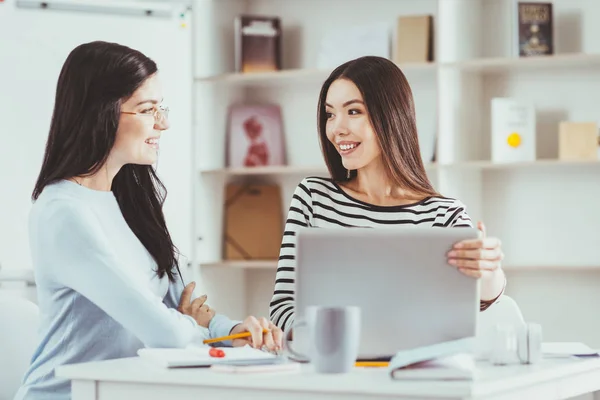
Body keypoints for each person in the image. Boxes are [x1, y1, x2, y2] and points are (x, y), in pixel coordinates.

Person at [15, 41, 282, 400]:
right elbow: (167, 333)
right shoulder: (63, 214)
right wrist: (195, 325)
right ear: (100, 113)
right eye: (147, 109)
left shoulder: (130, 201)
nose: (164, 123)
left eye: (162, 108)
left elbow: (182, 303)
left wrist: (235, 331)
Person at [269, 56, 506, 332]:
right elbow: (282, 307)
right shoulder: (313, 198)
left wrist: (489, 271)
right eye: (330, 114)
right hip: (331, 366)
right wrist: (332, 338)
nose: (337, 128)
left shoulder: (443, 214)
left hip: (415, 369)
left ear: (391, 116)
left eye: (354, 111)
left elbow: (477, 302)